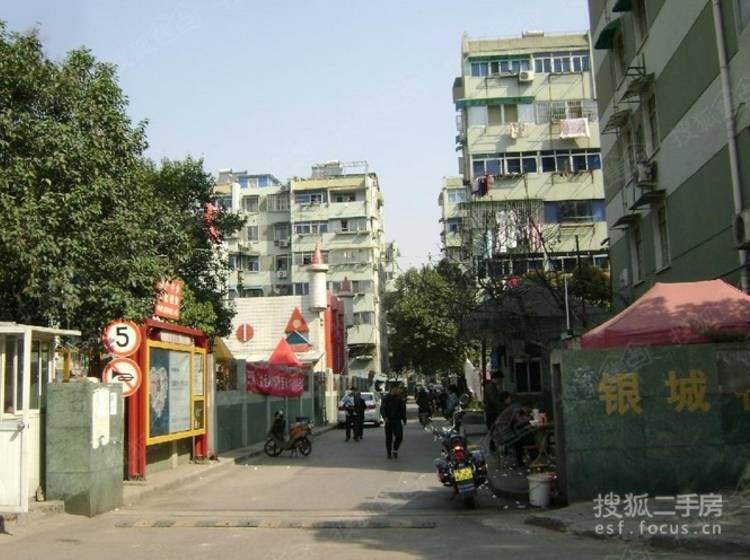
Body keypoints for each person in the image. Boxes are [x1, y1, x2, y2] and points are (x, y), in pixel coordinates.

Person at [381, 383, 407, 459]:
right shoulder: (386, 398)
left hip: (397, 420)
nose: (397, 390)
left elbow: (403, 410)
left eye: (398, 389)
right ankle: (389, 453)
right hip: (389, 421)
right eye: (396, 389)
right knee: (389, 438)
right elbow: (382, 408)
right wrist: (385, 417)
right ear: (392, 389)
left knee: (399, 436)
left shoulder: (399, 398)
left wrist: (404, 419)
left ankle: (395, 449)